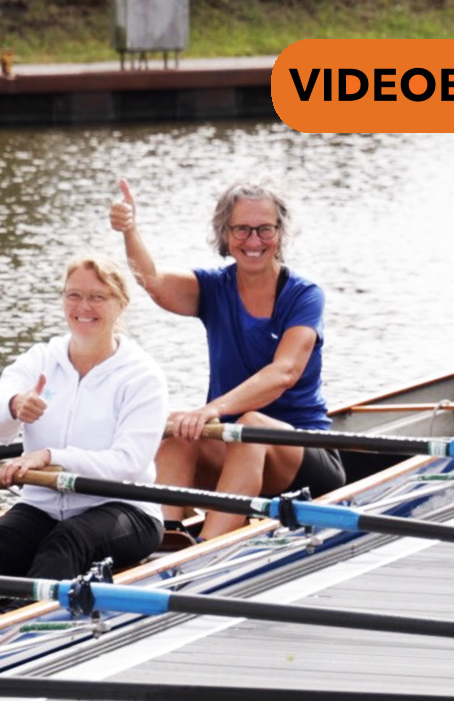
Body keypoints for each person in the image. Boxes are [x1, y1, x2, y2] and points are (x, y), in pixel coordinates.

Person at [112, 177, 344, 540]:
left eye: (264, 229)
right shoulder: (212, 288)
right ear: (225, 233)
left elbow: (284, 372)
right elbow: (152, 280)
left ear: (280, 233)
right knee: (177, 429)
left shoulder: (304, 295)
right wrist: (129, 231)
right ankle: (163, 539)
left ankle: (206, 548)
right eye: (242, 230)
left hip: (305, 458)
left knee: (248, 426)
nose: (253, 241)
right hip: (234, 448)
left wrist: (213, 409)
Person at [0, 254, 168, 584]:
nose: (84, 306)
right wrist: (13, 405)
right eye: (74, 295)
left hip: (124, 507)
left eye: (98, 297)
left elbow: (128, 462)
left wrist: (53, 457)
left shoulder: (142, 376)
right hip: (44, 504)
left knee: (66, 543)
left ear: (121, 303)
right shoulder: (41, 359)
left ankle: (39, 628)